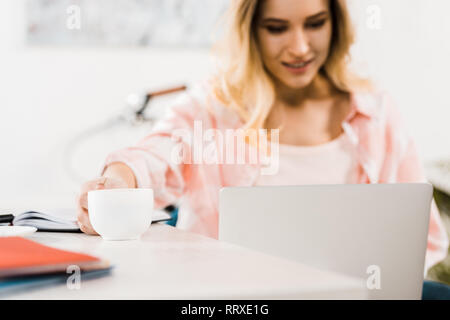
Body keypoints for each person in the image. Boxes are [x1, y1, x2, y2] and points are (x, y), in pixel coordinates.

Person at [77, 0, 449, 289]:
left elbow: (423, 238)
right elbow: (153, 156)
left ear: (336, 24)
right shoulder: (211, 109)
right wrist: (117, 181)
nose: (300, 47)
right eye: (277, 28)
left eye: (316, 23)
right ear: (251, 31)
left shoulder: (375, 114)